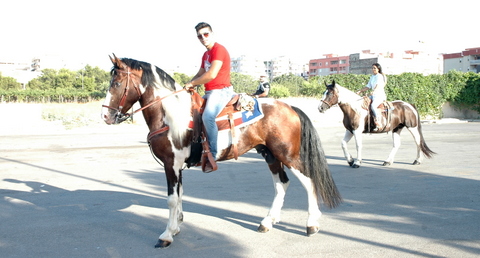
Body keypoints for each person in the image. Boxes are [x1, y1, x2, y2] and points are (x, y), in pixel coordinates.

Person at [184, 22, 235, 172]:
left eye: (206, 34)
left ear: (212, 34)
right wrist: (189, 84)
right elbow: (201, 73)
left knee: (207, 117)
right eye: (200, 36)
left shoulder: (219, 50)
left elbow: (211, 74)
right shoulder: (206, 54)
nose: (203, 38)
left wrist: (192, 83)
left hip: (221, 91)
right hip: (210, 92)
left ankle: (213, 153)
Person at [356, 63, 387, 130]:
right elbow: (368, 86)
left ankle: (378, 122)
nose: (373, 69)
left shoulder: (379, 76)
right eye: (372, 68)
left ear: (378, 69)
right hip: (373, 96)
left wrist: (374, 91)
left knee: (373, 106)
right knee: (363, 103)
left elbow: (378, 85)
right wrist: (360, 91)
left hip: (379, 96)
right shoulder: (372, 77)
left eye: (374, 68)